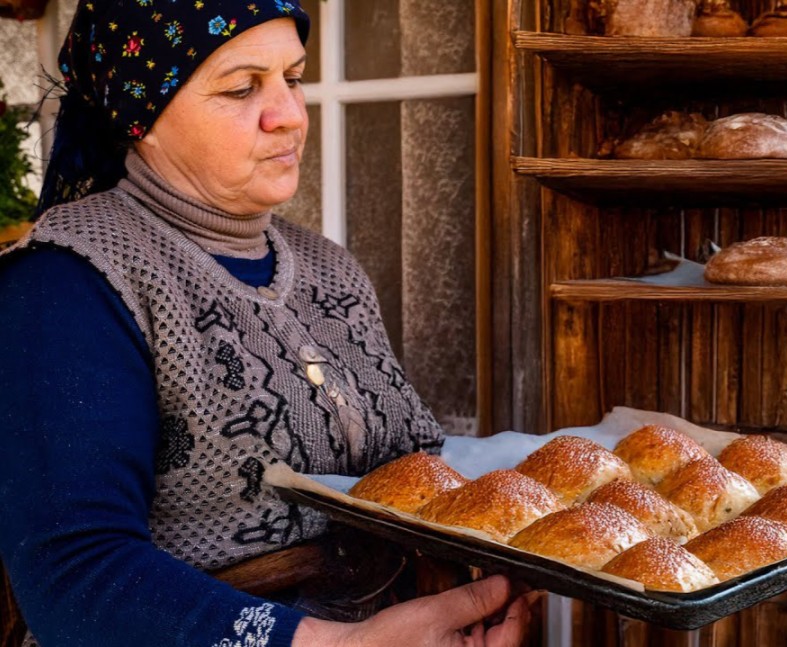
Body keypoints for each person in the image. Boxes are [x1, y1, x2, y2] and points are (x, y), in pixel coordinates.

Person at [0, 2, 531, 646]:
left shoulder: (330, 270)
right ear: (143, 117)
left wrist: (464, 601)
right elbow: (75, 579)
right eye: (242, 87)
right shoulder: (68, 283)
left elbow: (407, 477)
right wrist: (330, 644)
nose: (289, 115)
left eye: (293, 78)